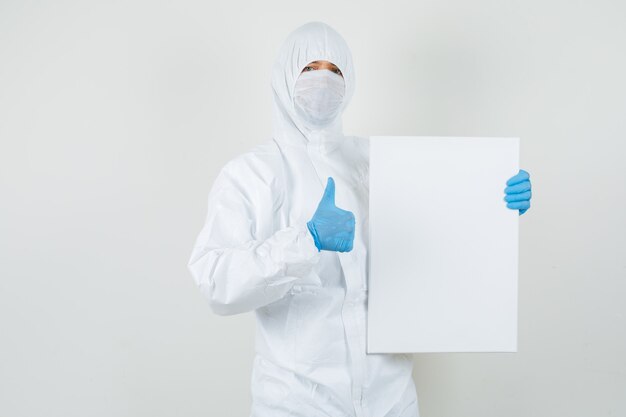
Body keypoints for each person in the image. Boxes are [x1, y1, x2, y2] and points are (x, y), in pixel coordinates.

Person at [187, 21, 532, 417]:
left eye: (335, 70)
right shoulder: (251, 174)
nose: (323, 80)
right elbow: (215, 281)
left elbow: (435, 236)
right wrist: (306, 240)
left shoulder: (378, 163)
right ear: (284, 77)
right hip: (295, 400)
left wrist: (494, 202)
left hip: (391, 397)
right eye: (309, 68)